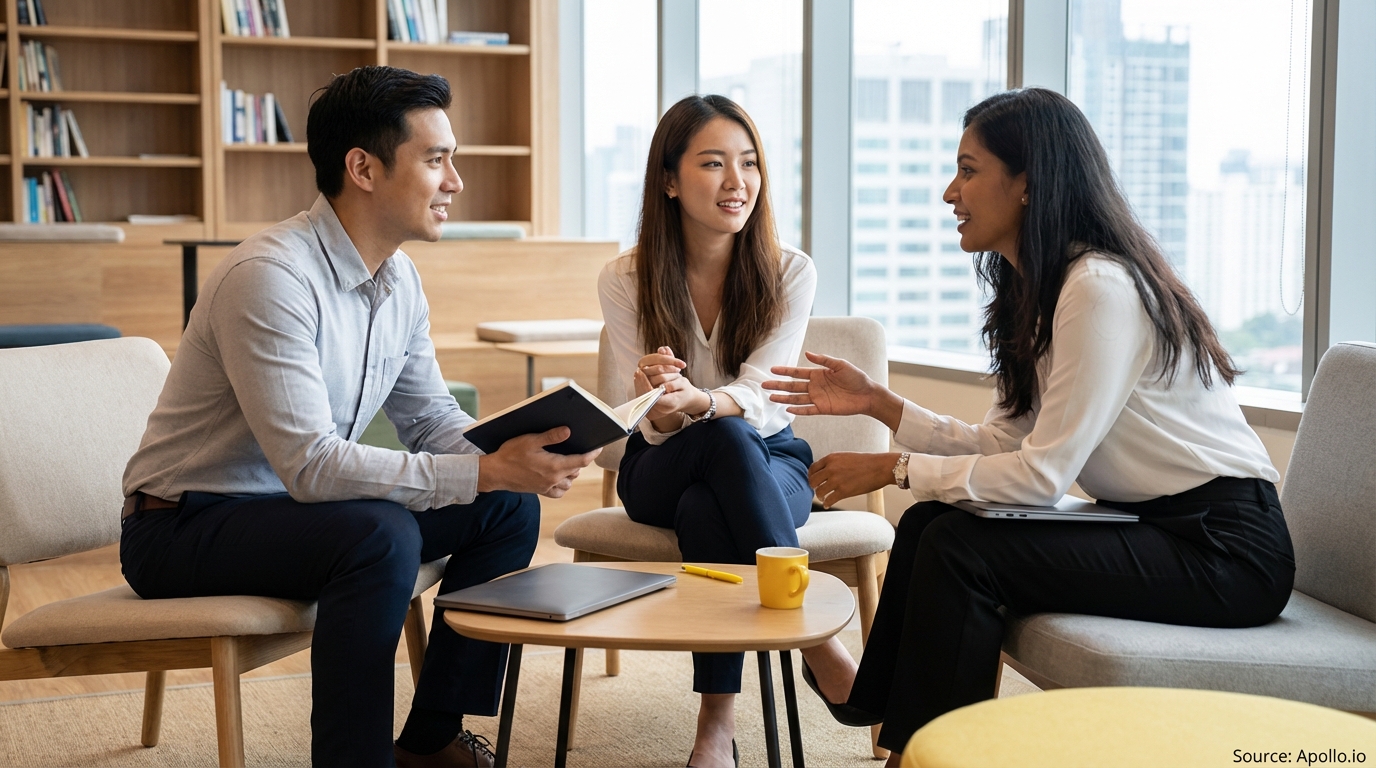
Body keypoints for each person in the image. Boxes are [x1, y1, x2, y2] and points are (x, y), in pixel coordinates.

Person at [764, 87, 1295, 765]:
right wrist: (883, 407)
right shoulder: (1038, 290)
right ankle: (892, 721)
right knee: (931, 523)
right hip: (1153, 525)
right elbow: (1006, 446)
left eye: (968, 169)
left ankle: (917, 752)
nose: (949, 192)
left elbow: (1042, 477)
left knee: (962, 546)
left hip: (1228, 550)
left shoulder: (1099, 287)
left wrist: (893, 466)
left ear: (1026, 183)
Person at [119, 66, 599, 768]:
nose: (455, 181)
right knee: (377, 534)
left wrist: (511, 458)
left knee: (506, 509)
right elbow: (312, 466)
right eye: (436, 160)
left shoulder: (398, 279)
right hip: (182, 524)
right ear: (363, 168)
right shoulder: (271, 278)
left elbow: (430, 416)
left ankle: (430, 740)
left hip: (293, 512)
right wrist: (477, 469)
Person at [597, 94, 847, 768]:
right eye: (713, 164)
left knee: (714, 495)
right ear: (670, 181)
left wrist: (702, 401)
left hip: (772, 460)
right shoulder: (624, 277)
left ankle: (715, 728)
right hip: (658, 463)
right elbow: (642, 420)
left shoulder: (790, 270)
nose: (737, 182)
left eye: (749, 163)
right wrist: (659, 396)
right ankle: (813, 640)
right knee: (719, 444)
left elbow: (764, 397)